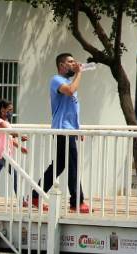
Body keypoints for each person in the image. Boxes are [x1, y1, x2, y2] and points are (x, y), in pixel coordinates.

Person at [41, 53, 89, 213]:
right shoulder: (57, 80)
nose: (74, 63)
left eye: (74, 61)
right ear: (61, 65)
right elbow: (69, 91)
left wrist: (78, 129)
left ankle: (35, 194)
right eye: (70, 62)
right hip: (62, 129)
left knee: (60, 165)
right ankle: (77, 201)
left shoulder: (70, 81)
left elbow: (73, 110)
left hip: (69, 130)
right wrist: (79, 73)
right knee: (72, 164)